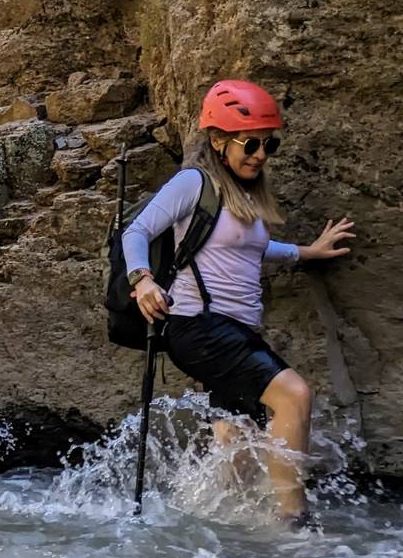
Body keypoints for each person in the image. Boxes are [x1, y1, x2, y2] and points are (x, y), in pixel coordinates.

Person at [122, 78, 355, 524]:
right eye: (251, 144)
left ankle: (222, 529)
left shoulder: (245, 196)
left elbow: (252, 249)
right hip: (200, 327)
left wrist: (307, 252)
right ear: (218, 141)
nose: (260, 155)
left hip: (235, 331)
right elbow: (137, 231)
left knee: (239, 443)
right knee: (294, 395)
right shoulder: (193, 183)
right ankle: (294, 525)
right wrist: (143, 280)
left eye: (270, 145)